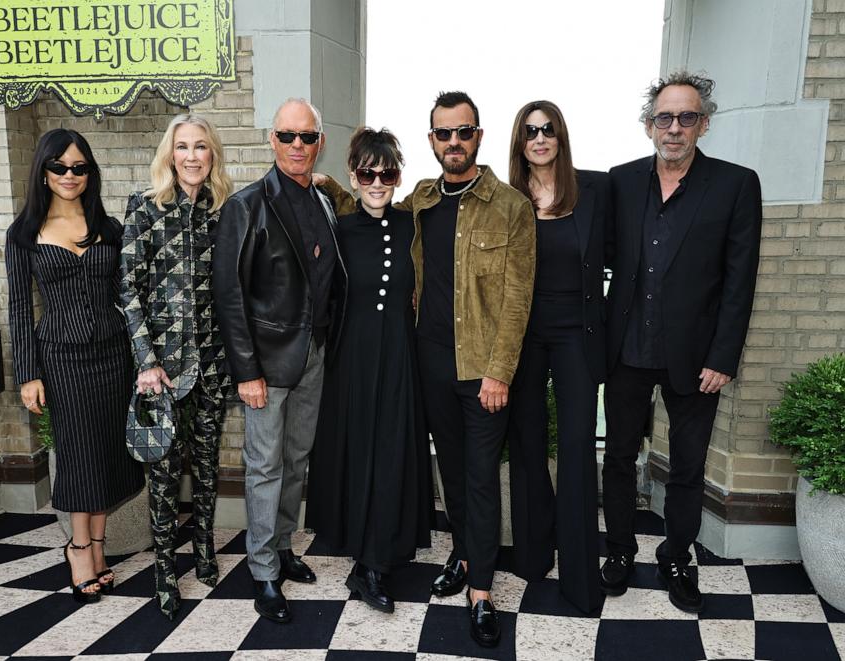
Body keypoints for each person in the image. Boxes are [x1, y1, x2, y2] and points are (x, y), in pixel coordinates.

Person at [321, 90, 535, 647]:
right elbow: (369, 214)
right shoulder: (422, 201)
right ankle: (464, 558)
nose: (454, 142)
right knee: (456, 475)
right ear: (433, 141)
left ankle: (482, 593)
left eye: (464, 132)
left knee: (482, 476)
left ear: (478, 136)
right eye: (444, 134)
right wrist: (328, 186)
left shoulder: (510, 206)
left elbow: (517, 299)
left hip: (482, 369)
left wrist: (500, 372)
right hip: (430, 365)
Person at [601, 71, 762, 614]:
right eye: (664, 118)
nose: (675, 128)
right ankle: (619, 550)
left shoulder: (736, 184)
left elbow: (740, 281)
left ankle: (676, 556)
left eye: (686, 117)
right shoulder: (618, 183)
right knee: (619, 456)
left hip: (697, 360)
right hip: (626, 350)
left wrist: (724, 356)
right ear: (649, 126)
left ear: (704, 124)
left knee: (688, 465)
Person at [212, 98, 347, 624]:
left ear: (319, 142)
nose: (297, 146)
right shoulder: (246, 206)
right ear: (272, 140)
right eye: (288, 136)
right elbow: (230, 295)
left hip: (313, 355)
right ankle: (263, 570)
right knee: (265, 466)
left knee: (296, 461)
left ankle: (284, 546)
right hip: (265, 364)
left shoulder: (326, 202)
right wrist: (246, 371)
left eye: (307, 137)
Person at [6, 129, 144, 604]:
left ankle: (99, 547)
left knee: (107, 453)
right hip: (61, 360)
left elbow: (128, 294)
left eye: (79, 167)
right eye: (60, 167)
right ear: (43, 172)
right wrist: (27, 374)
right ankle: (79, 548)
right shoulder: (24, 232)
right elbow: (21, 311)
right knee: (79, 455)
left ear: (91, 172)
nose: (70, 175)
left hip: (113, 356)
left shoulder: (108, 226)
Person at [305, 127, 433, 614]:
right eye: (367, 173)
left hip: (401, 356)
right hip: (353, 361)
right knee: (360, 456)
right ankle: (367, 560)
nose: (378, 182)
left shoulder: (411, 226)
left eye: (388, 173)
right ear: (354, 177)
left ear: (399, 176)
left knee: (393, 453)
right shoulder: (338, 231)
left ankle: (379, 559)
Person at [119, 114, 233, 619]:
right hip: (161, 373)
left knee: (206, 469)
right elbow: (127, 288)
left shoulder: (226, 212)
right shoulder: (145, 210)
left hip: (212, 365)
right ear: (170, 154)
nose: (191, 156)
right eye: (182, 147)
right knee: (163, 473)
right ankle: (165, 568)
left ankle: (203, 550)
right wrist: (145, 361)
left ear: (213, 156)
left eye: (201, 147)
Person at [505, 100, 609, 614]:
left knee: (574, 448)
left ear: (561, 136)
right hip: (522, 336)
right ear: (519, 142)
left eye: (548, 130)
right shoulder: (506, 198)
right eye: (530, 132)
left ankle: (580, 577)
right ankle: (531, 557)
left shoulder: (594, 190)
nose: (540, 139)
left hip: (578, 335)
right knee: (526, 445)